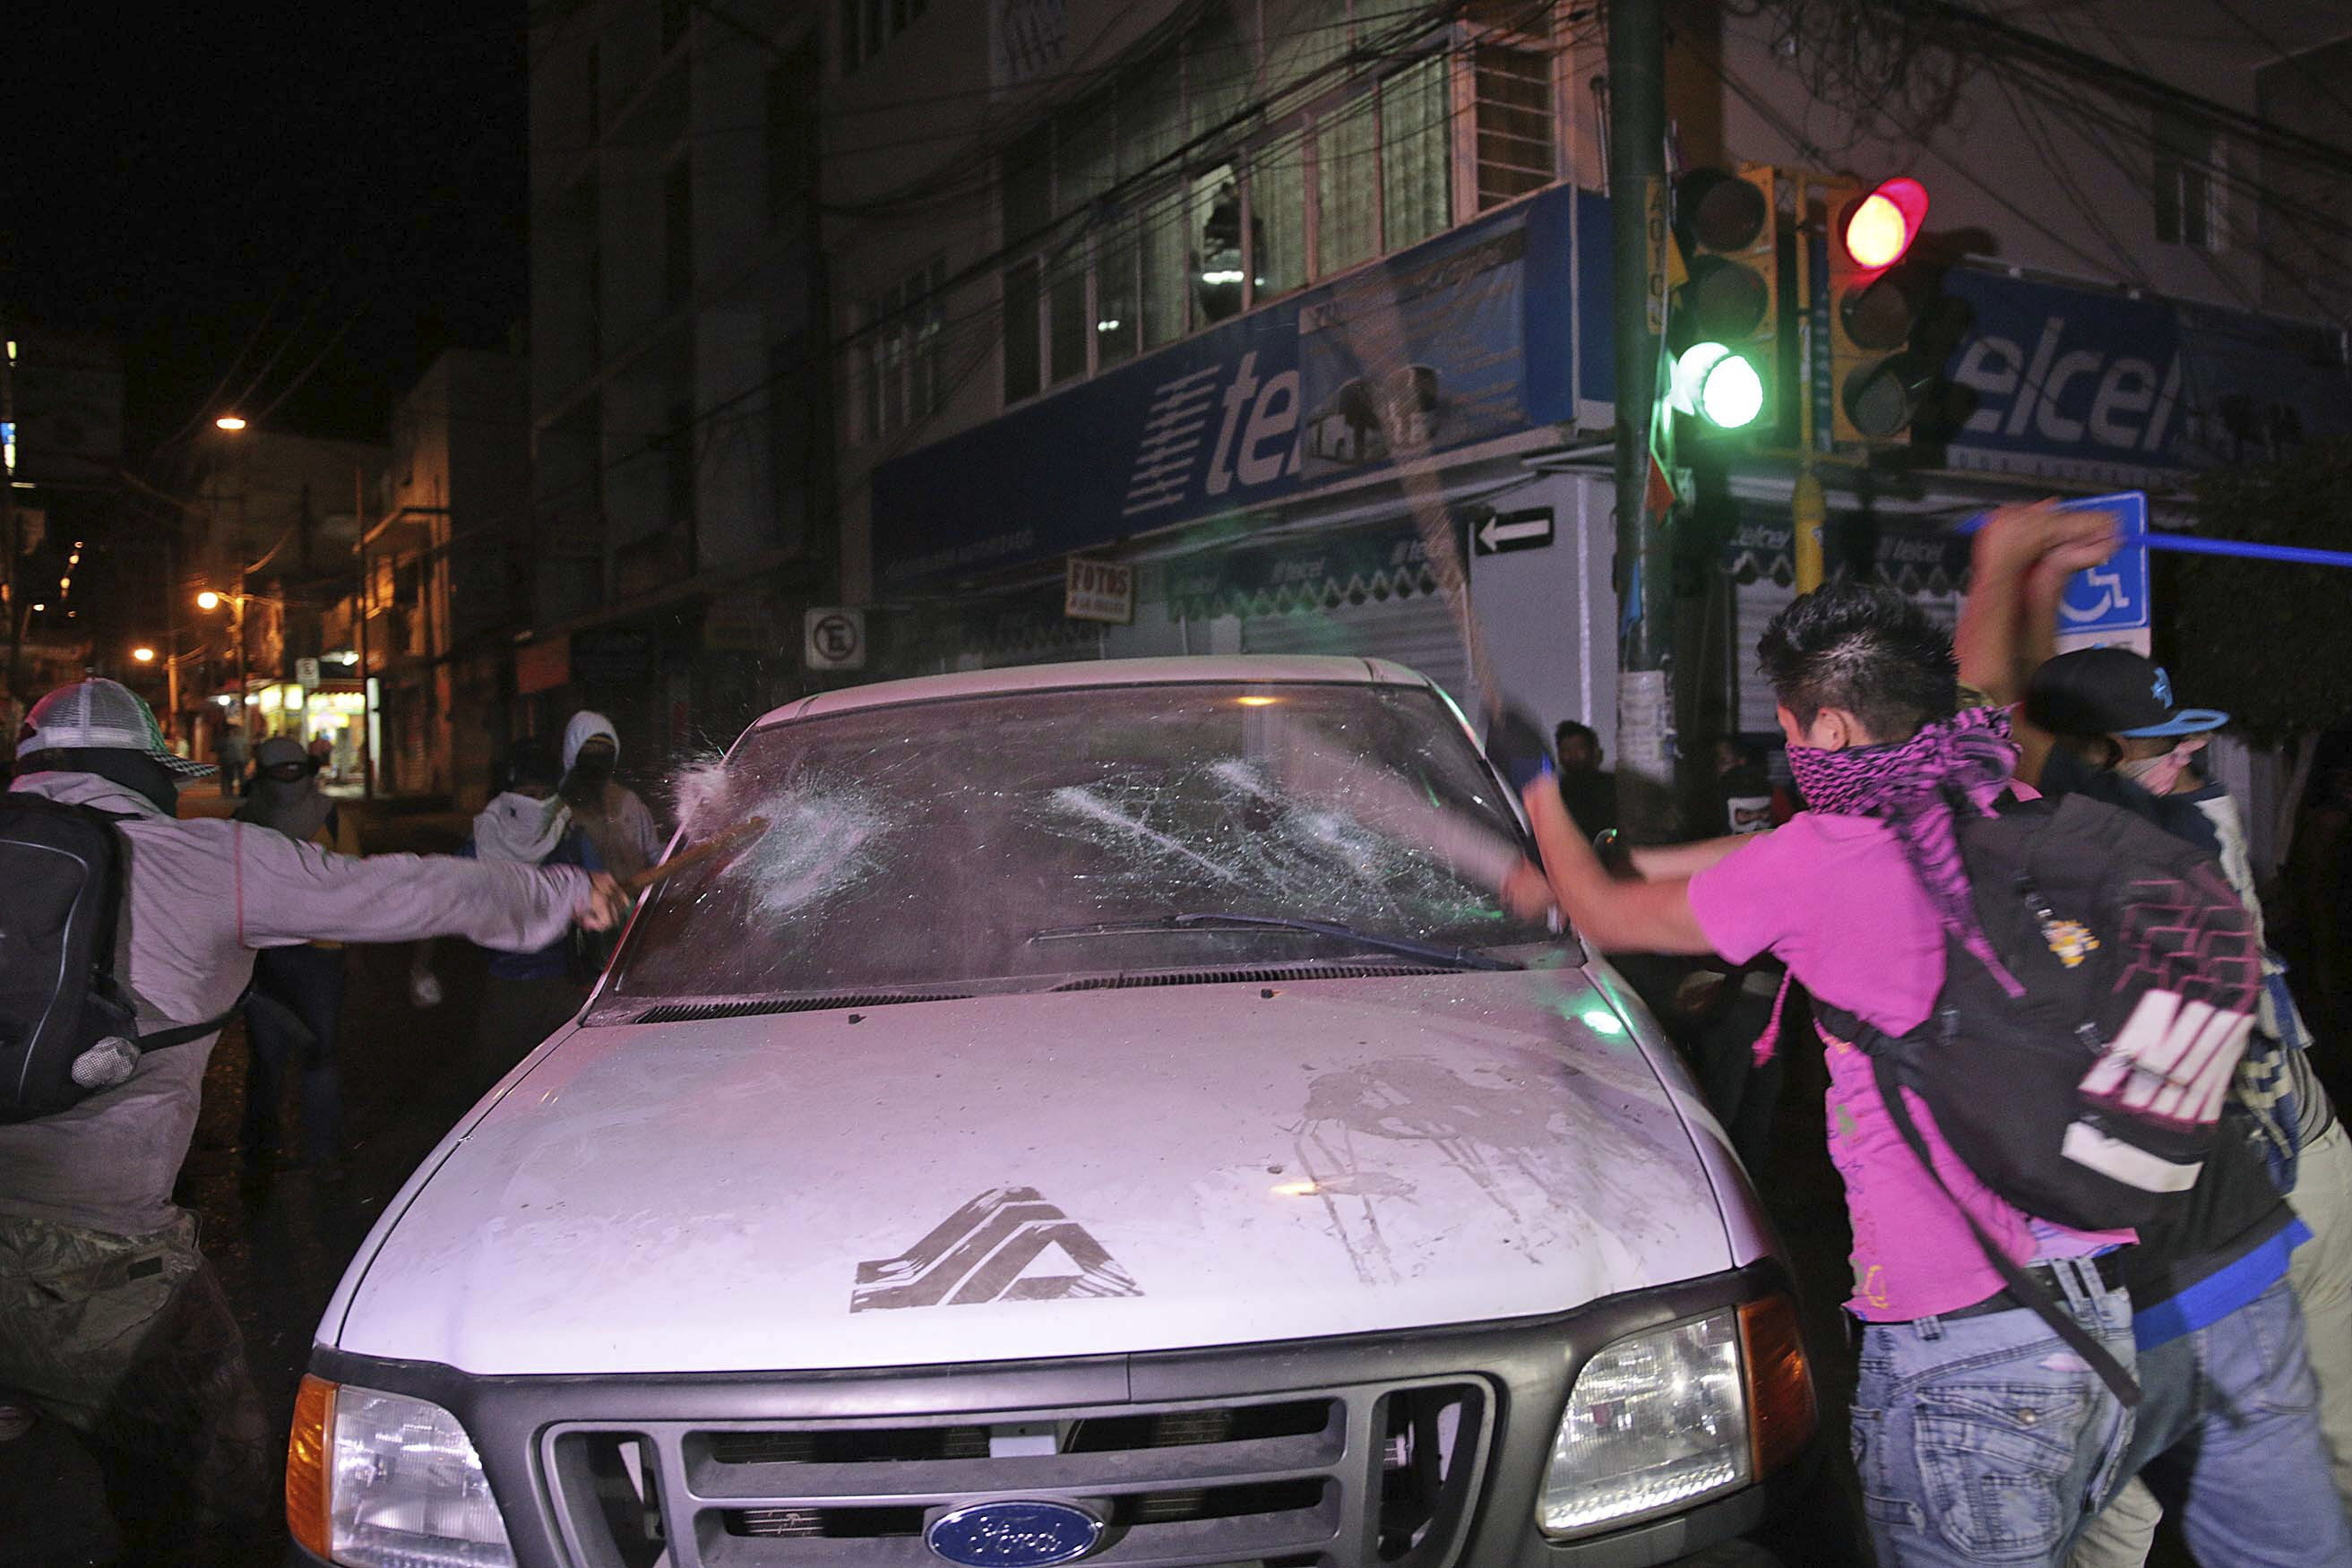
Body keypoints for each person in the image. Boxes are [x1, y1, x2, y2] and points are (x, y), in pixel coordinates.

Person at [1503, 582, 2137, 1568]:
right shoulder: (2002, 805)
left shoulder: (1822, 862)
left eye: (1794, 727)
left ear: (1832, 728)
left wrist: (1535, 784)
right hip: (2093, 1328)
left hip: (1963, 1355)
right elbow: (1754, 855)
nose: (1791, 746)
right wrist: (1610, 859)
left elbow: (1609, 919)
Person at [0, 678, 627, 1560]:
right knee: (224, 1490)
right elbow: (396, 892)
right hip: (97, 1266)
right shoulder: (204, 860)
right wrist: (558, 895)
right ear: (144, 771)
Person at [1954, 502, 2349, 1568]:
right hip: (2179, 1243)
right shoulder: (2125, 839)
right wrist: (2028, 582)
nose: (2191, 759)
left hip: (2256, 1200)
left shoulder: (2144, 831)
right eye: (2163, 746)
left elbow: (1996, 719)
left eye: (2189, 742)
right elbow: (2001, 720)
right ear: (2089, 759)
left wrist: (2011, 570)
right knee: (2120, 1515)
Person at [412, 736, 608, 1074]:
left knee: (567, 1080)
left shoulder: (572, 840)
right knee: (500, 1085)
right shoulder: (483, 846)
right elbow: (440, 903)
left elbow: (605, 896)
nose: (536, 804)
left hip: (562, 989)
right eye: (527, 795)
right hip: (504, 991)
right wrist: (420, 967)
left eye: (544, 795)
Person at [233, 736, 363, 1183]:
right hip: (298, 955)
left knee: (284, 1058)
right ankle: (304, 1155)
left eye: (294, 771)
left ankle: (267, 1155)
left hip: (280, 953)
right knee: (301, 1057)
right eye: (282, 772)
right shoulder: (321, 816)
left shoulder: (245, 820)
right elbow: (354, 884)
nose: (289, 780)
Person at [561, 710, 664, 884]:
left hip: (634, 907)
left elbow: (656, 857)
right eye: (590, 752)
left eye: (604, 753)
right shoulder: (558, 813)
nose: (597, 762)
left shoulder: (629, 803)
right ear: (573, 753)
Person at [1553, 719, 1617, 837]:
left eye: (1579, 749)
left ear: (1593, 752)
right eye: (1566, 750)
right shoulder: (1555, 793)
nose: (1573, 756)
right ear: (1559, 755)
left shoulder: (1611, 788)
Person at [214, 720, 247, 797]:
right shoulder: (241, 739)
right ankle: (234, 791)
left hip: (229, 759)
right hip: (237, 758)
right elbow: (246, 748)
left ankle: (228, 791)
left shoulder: (222, 739)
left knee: (228, 776)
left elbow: (217, 750)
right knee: (239, 775)